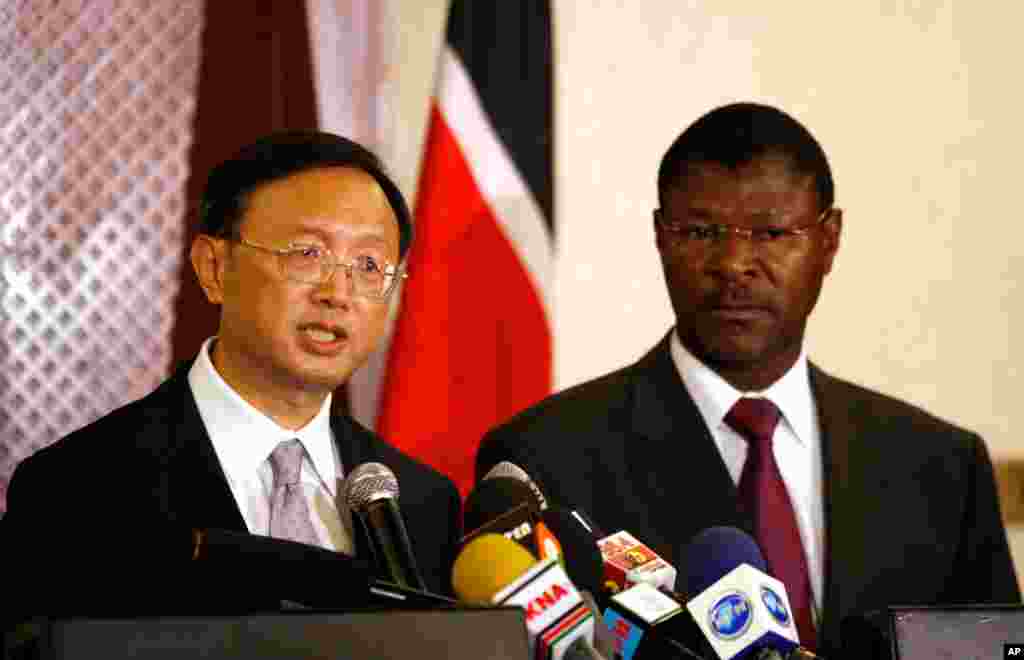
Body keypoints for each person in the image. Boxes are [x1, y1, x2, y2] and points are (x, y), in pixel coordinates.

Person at [476, 103, 1020, 656]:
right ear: (661, 237)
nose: (734, 262)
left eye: (772, 232)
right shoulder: (546, 460)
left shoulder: (942, 468)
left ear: (828, 241)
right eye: (702, 231)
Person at [2, 132, 461, 614]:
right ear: (214, 268)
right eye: (307, 254)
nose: (338, 293)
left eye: (370, 265)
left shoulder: (425, 505)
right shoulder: (78, 490)